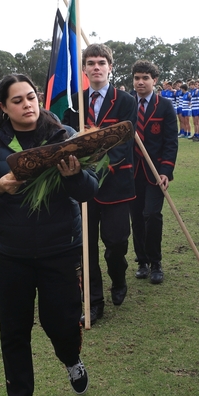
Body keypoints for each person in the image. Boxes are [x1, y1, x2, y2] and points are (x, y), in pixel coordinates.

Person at [0, 74, 96, 396]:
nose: (27, 104)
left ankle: (71, 358)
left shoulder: (62, 135)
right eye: (17, 100)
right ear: (3, 107)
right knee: (14, 328)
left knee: (62, 321)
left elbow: (87, 191)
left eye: (31, 97)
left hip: (59, 250)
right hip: (8, 254)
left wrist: (74, 174)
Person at [63, 43, 137, 325]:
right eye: (91, 62)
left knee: (116, 242)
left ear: (110, 67)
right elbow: (67, 137)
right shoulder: (75, 101)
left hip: (116, 182)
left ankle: (118, 276)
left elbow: (123, 140)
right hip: (82, 184)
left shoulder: (126, 100)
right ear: (84, 69)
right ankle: (94, 302)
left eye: (101, 62)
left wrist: (97, 162)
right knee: (86, 247)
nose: (96, 67)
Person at [130, 60, 178, 285]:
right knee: (137, 218)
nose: (140, 82)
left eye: (145, 78)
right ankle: (142, 262)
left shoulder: (165, 105)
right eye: (137, 78)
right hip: (131, 172)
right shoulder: (128, 105)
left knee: (152, 215)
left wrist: (166, 170)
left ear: (154, 80)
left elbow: (170, 141)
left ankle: (156, 262)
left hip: (155, 172)